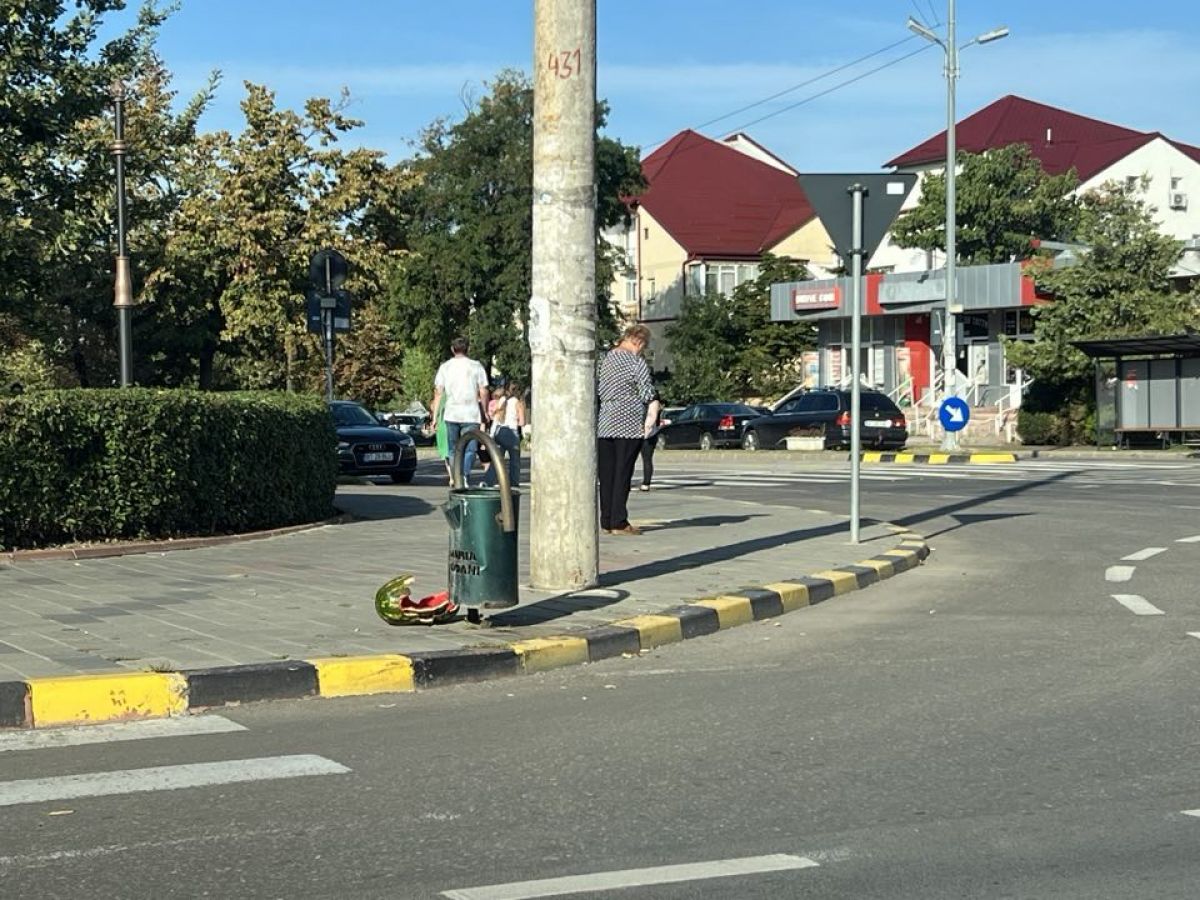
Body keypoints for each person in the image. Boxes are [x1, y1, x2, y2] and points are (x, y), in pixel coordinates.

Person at [597, 324, 655, 535]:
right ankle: (619, 521)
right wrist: (654, 402)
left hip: (605, 422)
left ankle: (606, 519)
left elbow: (598, 388)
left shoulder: (605, 359)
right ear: (638, 341)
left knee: (607, 474)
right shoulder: (636, 362)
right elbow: (646, 392)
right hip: (628, 422)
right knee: (623, 472)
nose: (641, 351)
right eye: (643, 347)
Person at [431, 336, 490, 486]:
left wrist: (435, 417)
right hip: (471, 413)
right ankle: (464, 475)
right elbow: (483, 391)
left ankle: (456, 476)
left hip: (451, 413)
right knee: (470, 449)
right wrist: (484, 411)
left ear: (452, 349)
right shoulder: (476, 366)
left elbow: (438, 392)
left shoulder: (445, 367)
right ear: (468, 349)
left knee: (453, 449)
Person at [483, 382, 526, 489]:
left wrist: (492, 435)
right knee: (514, 461)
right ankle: (513, 483)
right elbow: (522, 422)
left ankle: (488, 481)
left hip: (500, 432)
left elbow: (496, 419)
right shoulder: (518, 402)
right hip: (512, 433)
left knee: (497, 459)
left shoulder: (502, 400)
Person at [638, 393, 663, 492]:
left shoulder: (644, 404)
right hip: (652, 433)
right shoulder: (657, 405)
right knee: (647, 459)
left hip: (643, 433)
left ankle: (645, 482)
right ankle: (646, 483)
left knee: (632, 458)